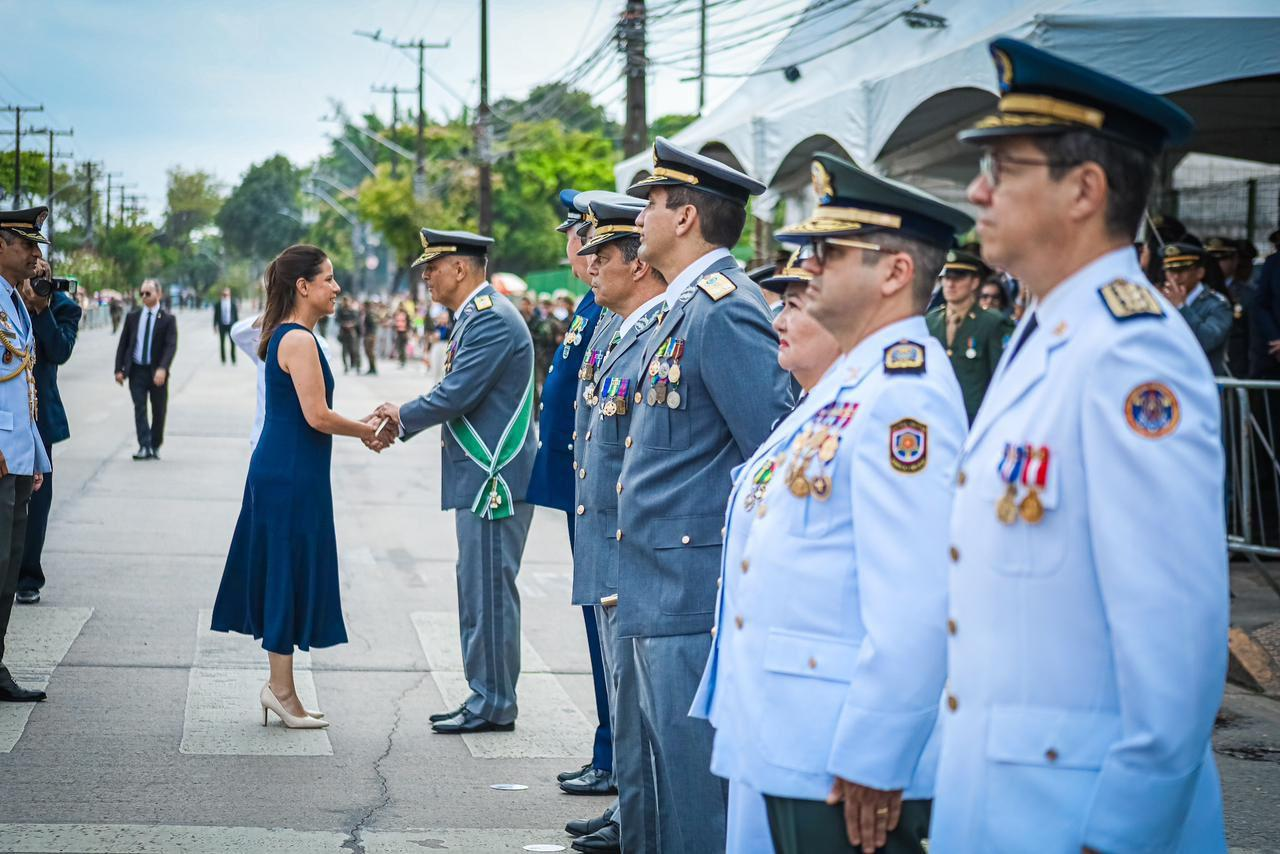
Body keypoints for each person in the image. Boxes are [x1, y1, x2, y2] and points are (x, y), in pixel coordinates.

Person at [931, 37, 1229, 852]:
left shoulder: (1132, 353)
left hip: (1079, 821)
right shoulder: (1056, 329)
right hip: (1004, 800)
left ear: (1084, 189)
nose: (976, 191)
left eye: (1003, 168)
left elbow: (1175, 660)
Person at [693, 154, 970, 854]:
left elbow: (918, 599)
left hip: (843, 758)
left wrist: (877, 753)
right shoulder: (852, 381)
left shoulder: (904, 395)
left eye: (829, 250)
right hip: (788, 730)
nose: (807, 265)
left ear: (895, 273)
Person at [614, 137, 791, 853]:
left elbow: (771, 452)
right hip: (658, 579)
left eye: (651, 204)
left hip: (691, 586)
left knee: (699, 804)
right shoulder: (676, 309)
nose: (640, 219)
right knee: (672, 790)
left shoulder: (721, 309)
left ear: (685, 217)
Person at [211, 244, 384, 729]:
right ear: (303, 286)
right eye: (328, 279)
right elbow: (317, 415)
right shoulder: (298, 340)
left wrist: (362, 426)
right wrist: (368, 430)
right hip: (288, 472)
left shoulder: (292, 335)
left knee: (288, 569)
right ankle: (281, 691)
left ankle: (283, 689)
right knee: (285, 570)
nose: (337, 287)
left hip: (292, 469)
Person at [373, 228, 536, 735]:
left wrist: (400, 415)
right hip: (482, 475)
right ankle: (484, 694)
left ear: (460, 268)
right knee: (477, 588)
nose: (425, 276)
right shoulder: (475, 317)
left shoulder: (489, 320)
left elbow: (456, 393)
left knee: (487, 591)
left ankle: (492, 701)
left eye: (433, 267)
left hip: (495, 477)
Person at [568, 198, 665, 853]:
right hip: (607, 531)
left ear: (640, 261)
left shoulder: (661, 324)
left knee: (641, 699)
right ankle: (630, 810)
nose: (589, 263)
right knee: (621, 692)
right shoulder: (614, 322)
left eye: (603, 254)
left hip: (642, 544)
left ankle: (640, 817)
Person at [524, 189, 618, 804]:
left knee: (607, 633)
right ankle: (608, 752)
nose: (574, 247)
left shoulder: (608, 309)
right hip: (575, 482)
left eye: (580, 236)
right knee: (596, 629)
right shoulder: (593, 303)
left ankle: (613, 757)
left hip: (596, 489)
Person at [0, 207, 52, 702]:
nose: (37, 255)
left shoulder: (15, 303)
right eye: (27, 245)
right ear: (0, 244)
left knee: (8, 567)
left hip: (17, 456)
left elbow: (24, 383)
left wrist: (35, 455)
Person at [15, 257, 81, 605]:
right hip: (6, 412)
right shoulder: (6, 299)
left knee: (37, 500)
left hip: (40, 416)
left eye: (43, 275)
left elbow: (59, 350)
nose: (36, 279)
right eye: (32, 273)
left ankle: (28, 575)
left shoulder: (65, 307)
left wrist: (41, 309)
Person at [925, 250, 1015, 422]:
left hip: (974, 419)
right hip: (936, 415)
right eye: (946, 278)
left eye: (958, 278)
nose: (950, 284)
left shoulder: (992, 322)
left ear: (974, 282)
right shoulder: (931, 320)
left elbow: (1001, 375)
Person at [114, 279, 178, 461]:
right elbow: (123, 344)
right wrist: (119, 369)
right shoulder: (133, 317)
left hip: (157, 372)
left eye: (147, 293)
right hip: (137, 371)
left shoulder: (168, 319)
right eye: (141, 293)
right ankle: (144, 445)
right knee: (139, 408)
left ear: (158, 294)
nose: (143, 296)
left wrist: (163, 368)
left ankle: (155, 445)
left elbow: (170, 346)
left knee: (159, 410)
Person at [1160, 242, 1232, 375]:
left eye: (1182, 271)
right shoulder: (1160, 301)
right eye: (1170, 271)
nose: (1175, 277)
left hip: (1202, 382)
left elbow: (1206, 340)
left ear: (1199, 272)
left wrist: (1181, 308)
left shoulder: (1217, 304)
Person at [213, 287, 239, 364]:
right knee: (222, 343)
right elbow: (215, 316)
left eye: (227, 294)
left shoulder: (233, 304)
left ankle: (233, 359)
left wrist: (237, 327)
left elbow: (236, 316)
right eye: (224, 294)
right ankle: (223, 359)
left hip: (231, 326)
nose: (225, 296)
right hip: (222, 326)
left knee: (232, 343)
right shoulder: (218, 304)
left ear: (229, 295)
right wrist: (214, 326)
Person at [336, 295, 362, 374]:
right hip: (344, 333)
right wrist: (344, 324)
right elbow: (337, 320)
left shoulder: (353, 311)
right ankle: (346, 367)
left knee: (354, 350)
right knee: (344, 351)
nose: (346, 303)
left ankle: (357, 366)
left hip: (352, 332)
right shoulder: (340, 311)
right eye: (344, 301)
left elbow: (357, 321)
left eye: (347, 301)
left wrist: (351, 324)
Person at [361, 298, 381, 375]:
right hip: (368, 335)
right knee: (368, 352)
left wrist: (372, 335)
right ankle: (371, 368)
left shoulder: (370, 313)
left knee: (370, 352)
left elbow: (373, 325)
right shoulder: (368, 313)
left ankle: (373, 368)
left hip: (370, 335)